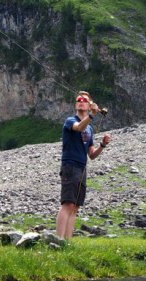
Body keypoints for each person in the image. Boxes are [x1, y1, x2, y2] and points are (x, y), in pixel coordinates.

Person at [56, 91, 111, 240]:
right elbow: (79, 127)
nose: (81, 101)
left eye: (84, 100)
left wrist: (102, 145)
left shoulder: (90, 129)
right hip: (70, 165)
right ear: (76, 105)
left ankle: (67, 242)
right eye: (78, 100)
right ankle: (58, 240)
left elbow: (92, 154)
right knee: (67, 204)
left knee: (75, 207)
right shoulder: (70, 121)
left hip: (82, 168)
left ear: (89, 105)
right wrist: (92, 115)